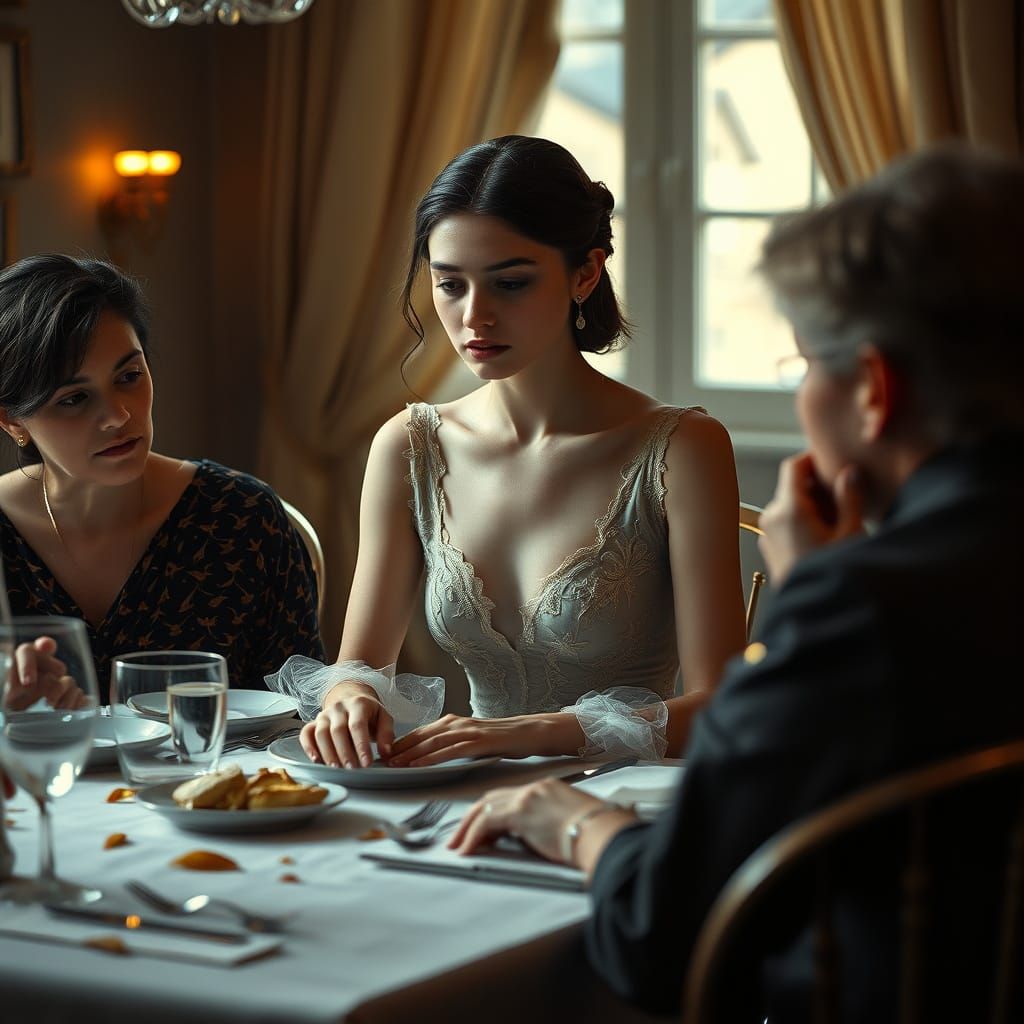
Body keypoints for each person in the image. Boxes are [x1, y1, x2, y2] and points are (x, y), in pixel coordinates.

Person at [445, 144, 1024, 1019]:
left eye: (805, 368)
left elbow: (658, 935)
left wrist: (574, 821)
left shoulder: (864, 606)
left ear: (871, 388)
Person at [283, 135, 747, 770]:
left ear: (584, 272)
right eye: (450, 285)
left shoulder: (681, 449)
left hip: (629, 809)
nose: (476, 316)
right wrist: (348, 696)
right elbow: (359, 664)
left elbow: (722, 708)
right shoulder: (410, 446)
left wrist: (526, 734)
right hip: (469, 803)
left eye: (511, 283)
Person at [0, 254, 324, 703]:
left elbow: (303, 711)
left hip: (219, 774)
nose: (118, 415)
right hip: (40, 775)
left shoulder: (242, 519)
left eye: (129, 376)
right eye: (74, 399)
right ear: (12, 421)